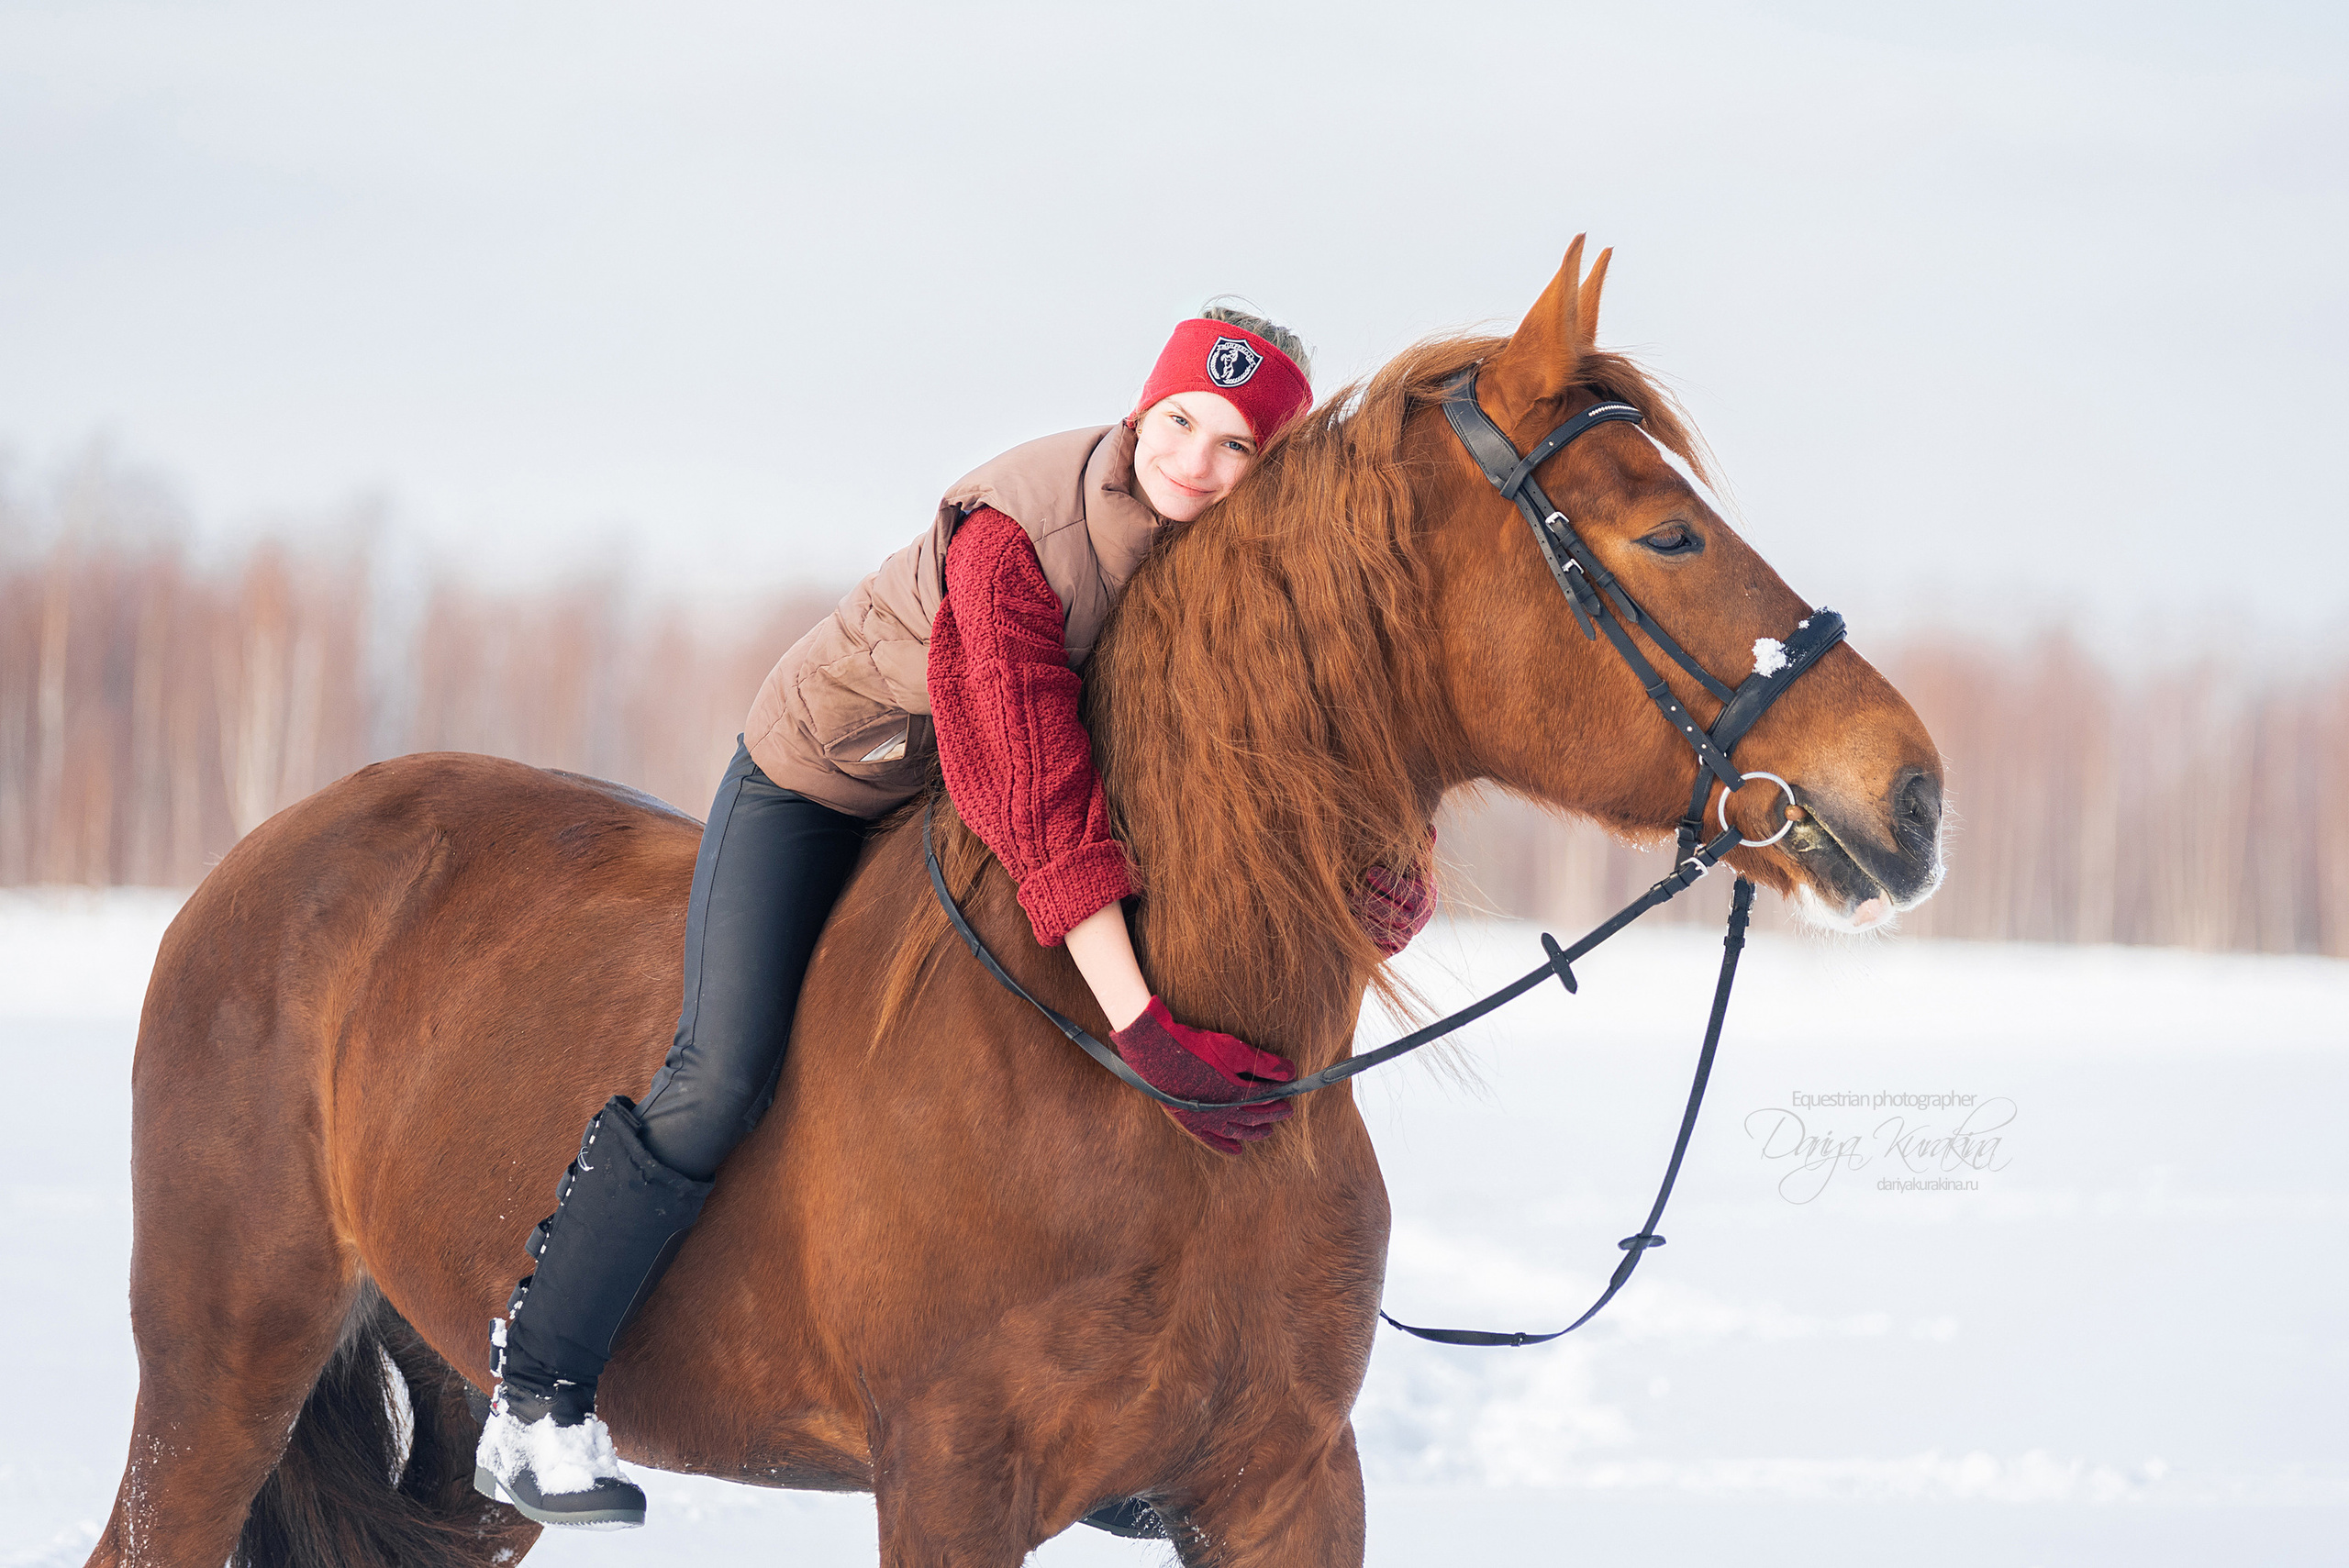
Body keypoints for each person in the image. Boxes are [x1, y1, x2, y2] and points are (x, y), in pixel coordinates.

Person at [472, 306, 1438, 1529]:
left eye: (1237, 445)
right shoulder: (1018, 536)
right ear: (1145, 408)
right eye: (1182, 420)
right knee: (722, 1067)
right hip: (830, 777)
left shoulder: (1240, 563)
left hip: (964, 801)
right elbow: (1039, 799)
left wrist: (1382, 869)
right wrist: (1141, 1023)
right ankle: (538, 1391)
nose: (1193, 461)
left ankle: (1117, 1425)